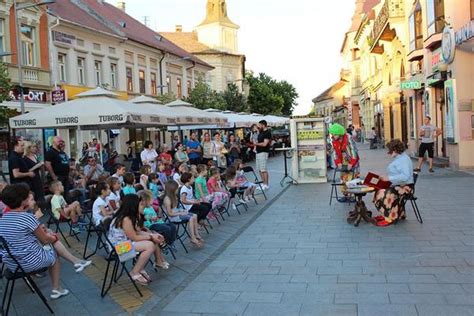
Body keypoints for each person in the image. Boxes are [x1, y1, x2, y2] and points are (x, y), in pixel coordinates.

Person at [0, 184, 91, 300]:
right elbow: (45, 240)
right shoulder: (27, 218)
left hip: (12, 264)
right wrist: (53, 237)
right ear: (23, 202)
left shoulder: (3, 219)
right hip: (28, 263)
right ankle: (57, 288)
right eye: (29, 197)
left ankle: (76, 262)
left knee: (50, 239)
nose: (32, 198)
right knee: (54, 251)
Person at [108, 194, 168, 286]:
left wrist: (153, 235)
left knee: (153, 241)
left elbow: (138, 232)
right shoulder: (126, 219)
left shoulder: (127, 216)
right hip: (118, 248)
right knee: (150, 245)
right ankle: (135, 272)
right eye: (139, 204)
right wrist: (151, 237)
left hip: (124, 243)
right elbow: (134, 237)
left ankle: (143, 267)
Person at [372, 139, 414, 227]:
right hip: (399, 184)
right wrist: (386, 178)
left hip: (406, 187)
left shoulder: (404, 159)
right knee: (379, 188)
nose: (388, 153)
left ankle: (389, 217)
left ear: (395, 150)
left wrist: (389, 178)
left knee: (385, 192)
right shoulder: (400, 157)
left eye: (390, 151)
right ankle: (387, 213)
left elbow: (405, 176)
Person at [163, 180, 203, 247]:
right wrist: (181, 213)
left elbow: (177, 208)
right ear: (172, 189)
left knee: (194, 215)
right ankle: (192, 237)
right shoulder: (167, 199)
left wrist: (182, 211)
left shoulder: (173, 196)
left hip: (177, 212)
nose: (177, 190)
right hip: (173, 216)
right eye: (176, 189)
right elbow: (170, 214)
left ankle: (196, 234)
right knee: (190, 217)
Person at [328, 123, 360, 201]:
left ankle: (353, 196)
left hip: (352, 159)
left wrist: (351, 163)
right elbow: (335, 152)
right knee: (343, 178)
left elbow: (354, 151)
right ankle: (345, 195)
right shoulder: (334, 140)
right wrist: (338, 162)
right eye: (332, 134)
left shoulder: (348, 138)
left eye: (334, 134)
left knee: (353, 177)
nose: (332, 135)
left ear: (340, 134)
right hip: (342, 160)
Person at [253, 120, 272, 190]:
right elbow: (259, 141)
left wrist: (256, 144)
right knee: (260, 169)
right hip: (258, 152)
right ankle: (263, 183)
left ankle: (266, 184)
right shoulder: (261, 132)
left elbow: (265, 144)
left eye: (259, 125)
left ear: (263, 125)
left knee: (263, 169)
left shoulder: (267, 133)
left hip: (263, 152)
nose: (258, 126)